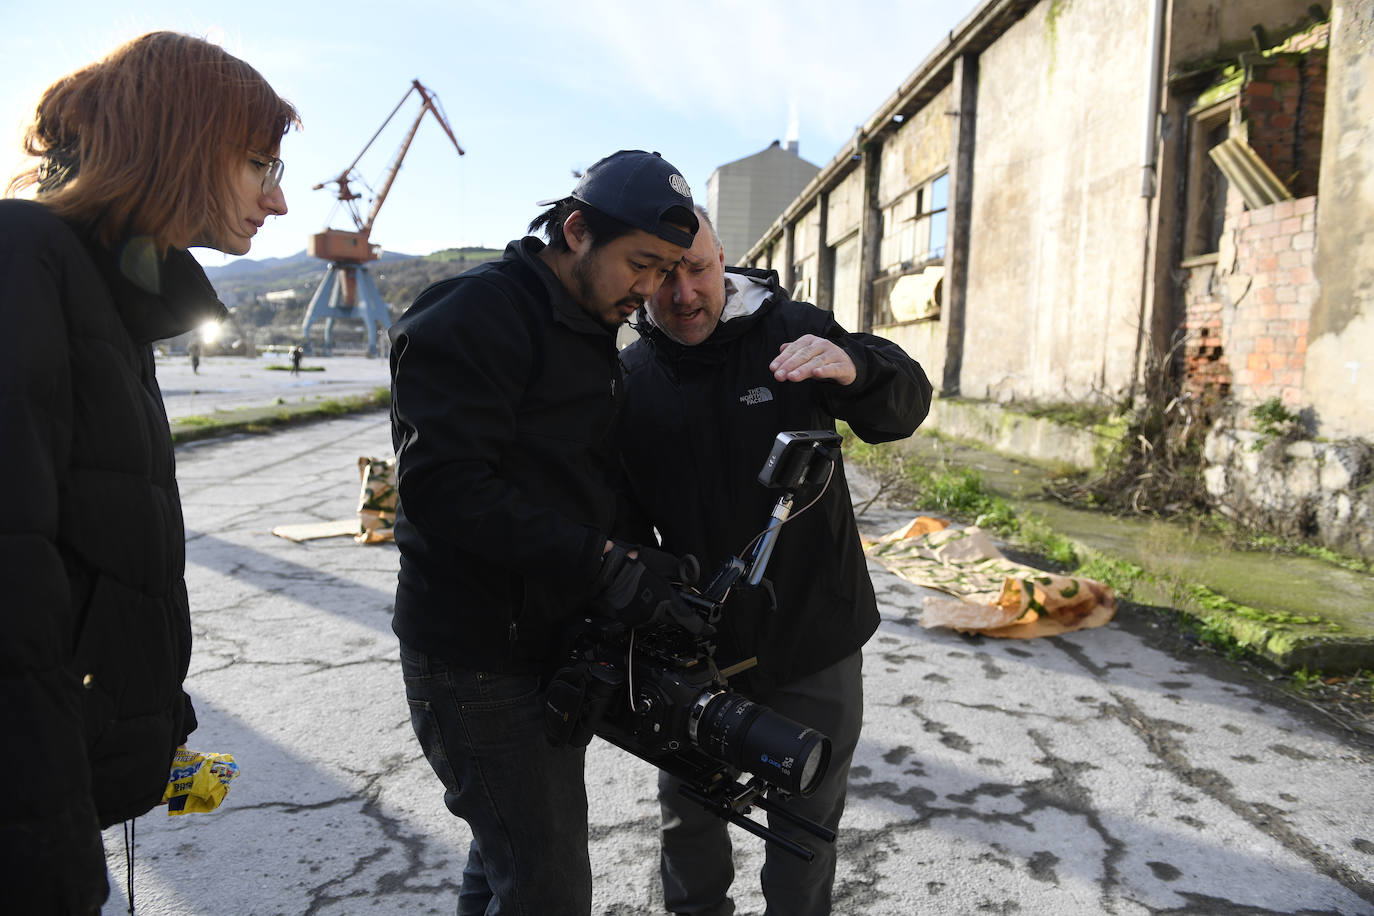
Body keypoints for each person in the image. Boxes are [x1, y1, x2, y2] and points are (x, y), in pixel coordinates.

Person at [0, 32, 296, 913]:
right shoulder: (25, 260)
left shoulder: (105, 294)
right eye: (257, 163)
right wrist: (46, 845)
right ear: (179, 138)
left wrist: (154, 723)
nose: (277, 200)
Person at [388, 150, 700, 915]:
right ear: (575, 231)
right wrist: (600, 561)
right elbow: (444, 489)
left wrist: (648, 562)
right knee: (547, 890)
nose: (652, 289)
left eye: (666, 270)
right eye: (641, 264)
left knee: (504, 860)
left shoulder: (589, 327)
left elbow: (580, 476)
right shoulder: (473, 313)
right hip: (477, 662)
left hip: (547, 648)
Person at [618, 206, 933, 916]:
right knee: (689, 824)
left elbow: (905, 403)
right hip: (692, 650)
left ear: (723, 260)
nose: (683, 294)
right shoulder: (632, 377)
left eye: (696, 270)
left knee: (804, 834)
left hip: (812, 637)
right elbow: (623, 521)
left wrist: (857, 368)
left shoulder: (792, 330)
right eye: (661, 276)